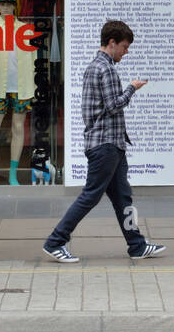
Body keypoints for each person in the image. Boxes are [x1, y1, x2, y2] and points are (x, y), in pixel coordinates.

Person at [43, 20, 166, 262]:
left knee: (123, 197)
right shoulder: (106, 69)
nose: (126, 51)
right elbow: (113, 105)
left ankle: (137, 245)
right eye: (125, 46)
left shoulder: (95, 66)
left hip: (112, 145)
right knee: (90, 195)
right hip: (106, 145)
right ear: (112, 43)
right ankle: (55, 241)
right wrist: (131, 88)